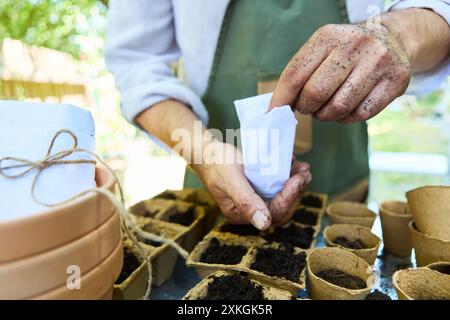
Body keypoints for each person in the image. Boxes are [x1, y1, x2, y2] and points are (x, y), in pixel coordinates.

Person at [105, 0, 450, 231]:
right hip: (214, 171)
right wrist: (204, 153)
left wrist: (398, 34)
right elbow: (138, 62)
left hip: (340, 184)